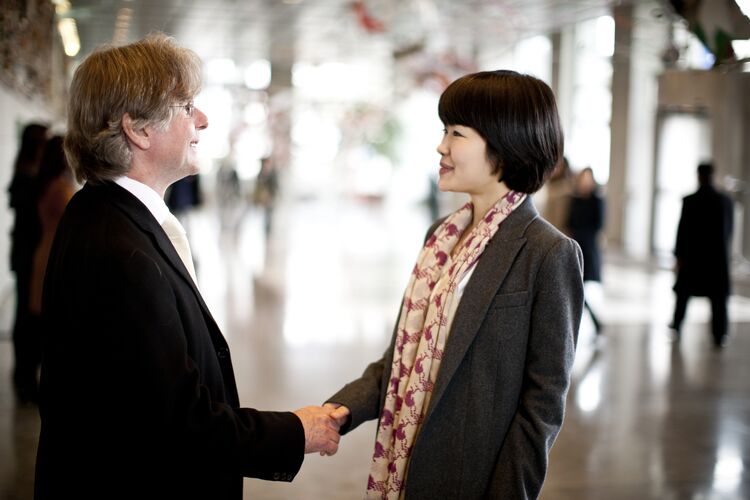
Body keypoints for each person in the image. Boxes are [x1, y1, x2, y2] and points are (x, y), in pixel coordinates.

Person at [35, 34, 341, 500]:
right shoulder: (120, 252)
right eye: (185, 106)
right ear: (137, 129)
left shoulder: (103, 212)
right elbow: (177, 422)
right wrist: (297, 432)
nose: (202, 119)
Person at [325, 70, 584, 499]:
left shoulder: (547, 252)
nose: (441, 146)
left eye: (457, 133)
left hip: (471, 481)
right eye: (444, 130)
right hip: (405, 469)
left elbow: (543, 406)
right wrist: (337, 411)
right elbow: (400, 362)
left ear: (505, 143)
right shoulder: (440, 236)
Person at [23, 136, 77, 400]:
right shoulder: (60, 188)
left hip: (42, 251)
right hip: (53, 255)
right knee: (50, 323)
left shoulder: (46, 184)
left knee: (41, 320)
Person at [670, 162, 734, 348]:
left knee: (683, 294)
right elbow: (729, 231)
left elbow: (682, 232)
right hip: (716, 259)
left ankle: (677, 325)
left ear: (698, 175)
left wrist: (679, 256)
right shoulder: (724, 201)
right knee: (718, 299)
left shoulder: (690, 200)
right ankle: (720, 334)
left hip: (693, 258)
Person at [7, 122, 48, 404]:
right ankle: (24, 376)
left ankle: (25, 374)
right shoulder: (27, 176)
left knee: (29, 314)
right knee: (26, 317)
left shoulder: (28, 174)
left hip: (28, 252)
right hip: (27, 253)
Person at [567, 167, 605, 335]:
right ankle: (594, 322)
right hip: (576, 246)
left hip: (588, 249)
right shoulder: (574, 200)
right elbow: (569, 222)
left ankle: (591, 322)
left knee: (580, 287)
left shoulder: (597, 200)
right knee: (577, 286)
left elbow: (599, 225)